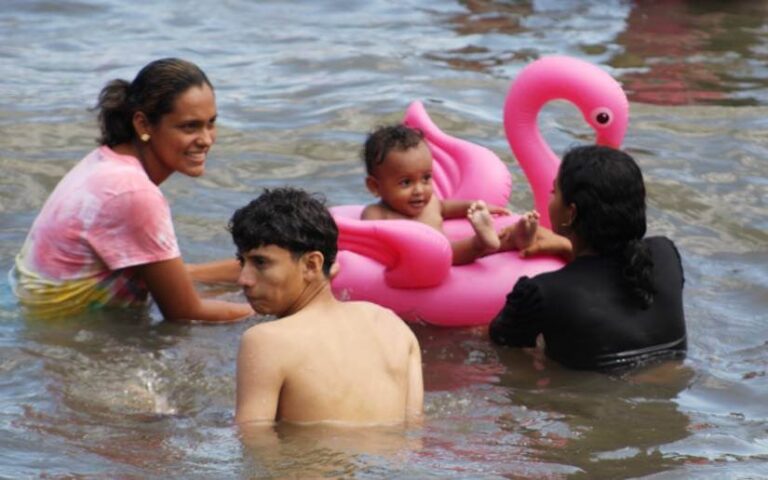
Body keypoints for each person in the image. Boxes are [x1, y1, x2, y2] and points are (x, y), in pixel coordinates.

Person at [10, 58, 252, 323]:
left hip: (26, 307)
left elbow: (177, 275)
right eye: (189, 126)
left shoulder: (106, 162)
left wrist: (258, 272)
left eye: (211, 123)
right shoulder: (133, 192)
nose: (206, 139)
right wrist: (287, 311)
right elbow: (185, 312)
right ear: (143, 125)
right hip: (56, 330)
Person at [230, 187, 423, 425]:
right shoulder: (393, 326)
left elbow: (251, 441)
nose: (243, 279)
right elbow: (414, 430)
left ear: (312, 264)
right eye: (242, 261)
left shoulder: (265, 340)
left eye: (260, 262)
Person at [489, 145, 687, 372]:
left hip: (587, 403)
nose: (551, 200)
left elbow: (499, 348)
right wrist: (566, 247)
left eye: (555, 193)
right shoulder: (665, 255)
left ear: (571, 213)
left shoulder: (541, 292)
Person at [361, 124, 539, 265]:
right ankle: (482, 242)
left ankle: (516, 237)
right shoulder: (376, 214)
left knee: (482, 245)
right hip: (428, 260)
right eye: (406, 182)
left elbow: (447, 207)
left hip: (447, 252)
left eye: (426, 178)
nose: (419, 190)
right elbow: (371, 248)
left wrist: (476, 206)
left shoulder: (431, 203)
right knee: (452, 250)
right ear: (374, 186)